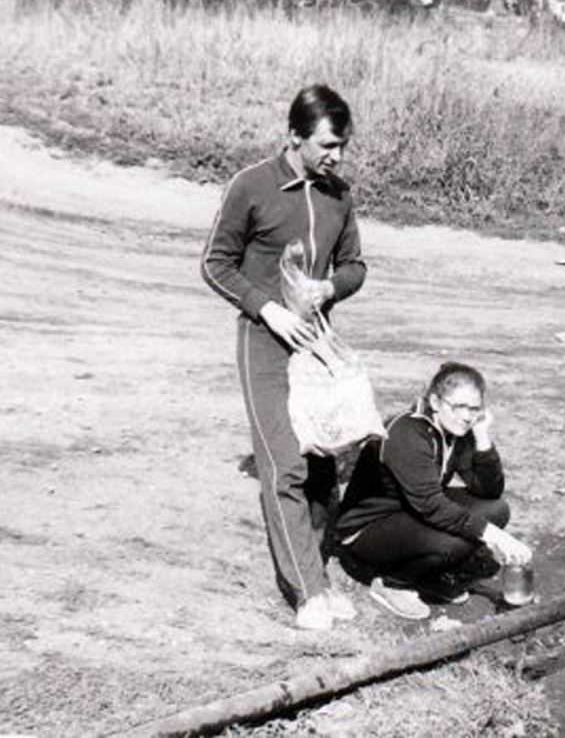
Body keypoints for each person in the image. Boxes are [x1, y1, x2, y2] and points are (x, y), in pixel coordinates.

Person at [201, 84, 368, 631]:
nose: (336, 156)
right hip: (264, 341)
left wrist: (330, 290)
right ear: (294, 136)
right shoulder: (251, 186)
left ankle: (315, 571)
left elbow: (355, 266)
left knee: (322, 469)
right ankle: (307, 593)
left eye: (342, 145)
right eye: (326, 145)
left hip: (318, 346)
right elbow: (215, 264)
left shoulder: (338, 196)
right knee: (284, 467)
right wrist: (266, 308)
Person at [335, 362, 532, 620]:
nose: (467, 416)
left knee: (496, 510)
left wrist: (482, 437)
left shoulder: (456, 431)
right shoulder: (407, 432)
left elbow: (488, 491)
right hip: (368, 528)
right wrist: (496, 537)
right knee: (455, 541)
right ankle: (393, 584)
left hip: (410, 514)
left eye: (475, 409)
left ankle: (429, 577)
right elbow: (431, 505)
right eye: (459, 406)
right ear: (436, 402)